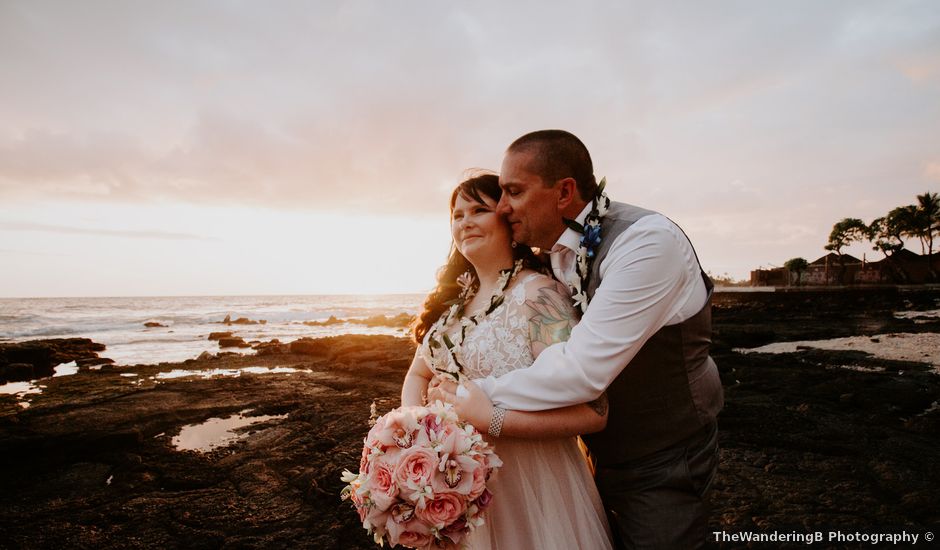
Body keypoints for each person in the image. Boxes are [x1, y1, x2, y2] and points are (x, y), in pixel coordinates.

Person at [439, 130, 724, 549]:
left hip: (663, 453)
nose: (502, 208)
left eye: (513, 192)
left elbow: (581, 370)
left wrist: (476, 398)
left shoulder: (646, 242)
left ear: (564, 191)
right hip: (591, 453)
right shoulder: (556, 250)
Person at [401, 172, 613, 550]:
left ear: (508, 219)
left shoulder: (540, 297)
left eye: (478, 210)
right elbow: (417, 373)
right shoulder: (452, 307)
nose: (464, 221)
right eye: (457, 214)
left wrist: (493, 420)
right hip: (457, 491)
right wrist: (416, 441)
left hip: (532, 488)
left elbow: (594, 412)